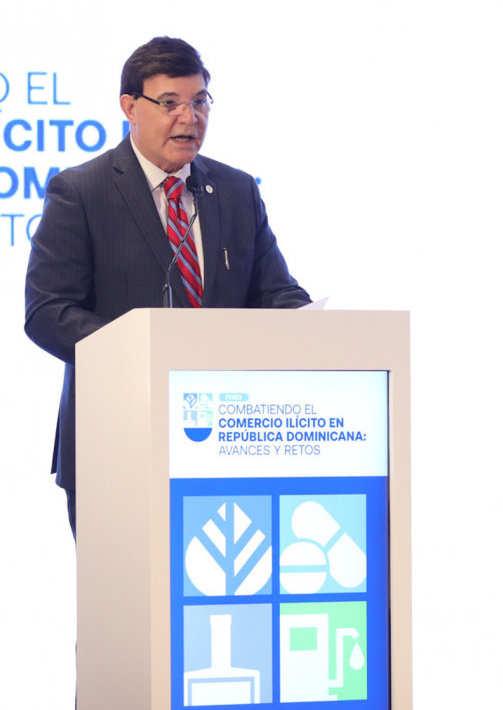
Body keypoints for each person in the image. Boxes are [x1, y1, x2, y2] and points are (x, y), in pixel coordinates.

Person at [24, 36, 310, 535]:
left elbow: (275, 292)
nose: (188, 117)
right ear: (129, 107)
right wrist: (142, 352)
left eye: (200, 102)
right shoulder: (82, 191)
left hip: (228, 443)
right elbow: (48, 312)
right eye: (170, 103)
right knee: (124, 588)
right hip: (116, 441)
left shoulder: (237, 190)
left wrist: (309, 327)